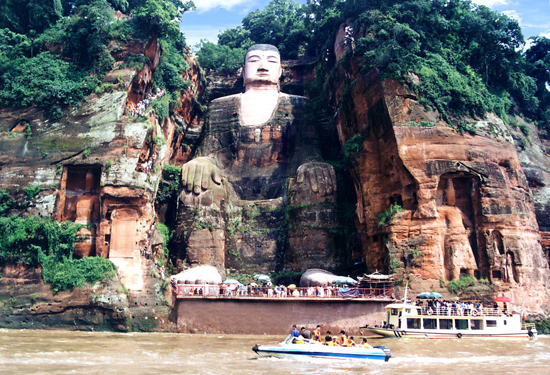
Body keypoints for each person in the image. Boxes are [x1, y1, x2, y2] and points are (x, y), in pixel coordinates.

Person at [176, 43, 338, 271]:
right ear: (243, 71)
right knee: (199, 184)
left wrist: (314, 164)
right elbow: (210, 153)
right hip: (230, 187)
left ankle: (314, 266)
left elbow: (308, 152)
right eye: (254, 60)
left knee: (316, 181)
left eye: (271, 61)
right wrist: (201, 162)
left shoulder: (299, 105)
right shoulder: (219, 106)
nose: (262, 66)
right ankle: (204, 264)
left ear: (281, 71)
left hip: (283, 186)